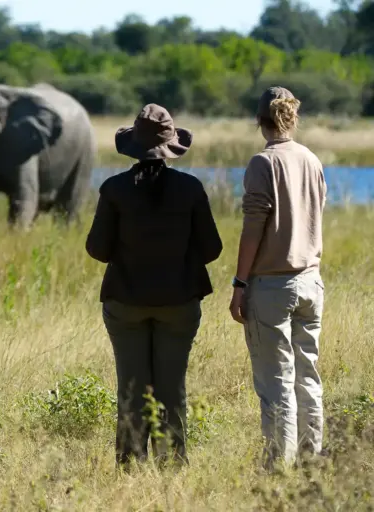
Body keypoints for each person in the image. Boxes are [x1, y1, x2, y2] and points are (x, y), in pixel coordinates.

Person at [86, 104, 223, 466]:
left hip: (125, 302)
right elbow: (213, 248)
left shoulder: (114, 189)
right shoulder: (190, 188)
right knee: (172, 388)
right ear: (171, 147)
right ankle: (172, 464)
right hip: (179, 303)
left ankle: (130, 465)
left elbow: (97, 250)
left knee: (131, 389)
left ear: (133, 146)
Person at [229, 87, 327, 471]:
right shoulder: (311, 159)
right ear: (292, 117)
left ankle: (277, 469)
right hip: (311, 282)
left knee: (276, 382)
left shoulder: (262, 163)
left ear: (259, 121)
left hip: (271, 285)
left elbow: (253, 228)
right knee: (308, 376)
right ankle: (310, 459)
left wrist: (239, 284)